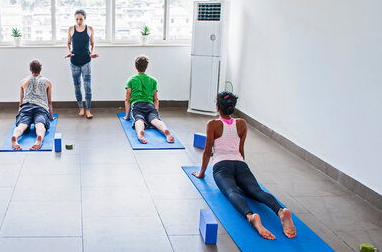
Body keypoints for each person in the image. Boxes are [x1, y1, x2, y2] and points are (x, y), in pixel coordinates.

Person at [191, 92, 296, 240]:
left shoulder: (213, 124)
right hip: (240, 164)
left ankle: (251, 216)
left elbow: (208, 151)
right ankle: (280, 211)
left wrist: (201, 173)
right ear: (232, 107)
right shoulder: (241, 123)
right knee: (256, 191)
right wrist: (241, 172)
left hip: (221, 166)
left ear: (217, 107)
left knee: (232, 192)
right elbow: (240, 150)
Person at [123, 55, 174, 144]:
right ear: (146, 67)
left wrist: (127, 117)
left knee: (139, 120)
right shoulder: (153, 80)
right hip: (150, 105)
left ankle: (140, 133)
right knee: (155, 120)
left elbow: (127, 100)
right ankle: (165, 130)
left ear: (136, 67)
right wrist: (156, 112)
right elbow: (156, 99)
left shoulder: (131, 80)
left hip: (137, 105)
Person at [11, 59, 54, 150]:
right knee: (40, 124)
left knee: (22, 124)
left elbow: (21, 102)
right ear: (41, 69)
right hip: (41, 107)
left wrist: (20, 114)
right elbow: (49, 103)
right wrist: (50, 117)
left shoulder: (23, 81)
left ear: (30, 70)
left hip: (26, 107)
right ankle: (39, 137)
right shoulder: (47, 82)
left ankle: (15, 136)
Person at [66, 9, 99, 119]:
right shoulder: (71, 29)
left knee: (87, 86)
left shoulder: (89, 29)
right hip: (74, 62)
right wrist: (69, 52)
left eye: (80, 19)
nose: (78, 21)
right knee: (77, 86)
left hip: (86, 61)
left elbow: (92, 43)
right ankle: (81, 107)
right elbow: (68, 43)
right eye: (76, 19)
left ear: (85, 18)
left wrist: (92, 53)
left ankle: (88, 110)